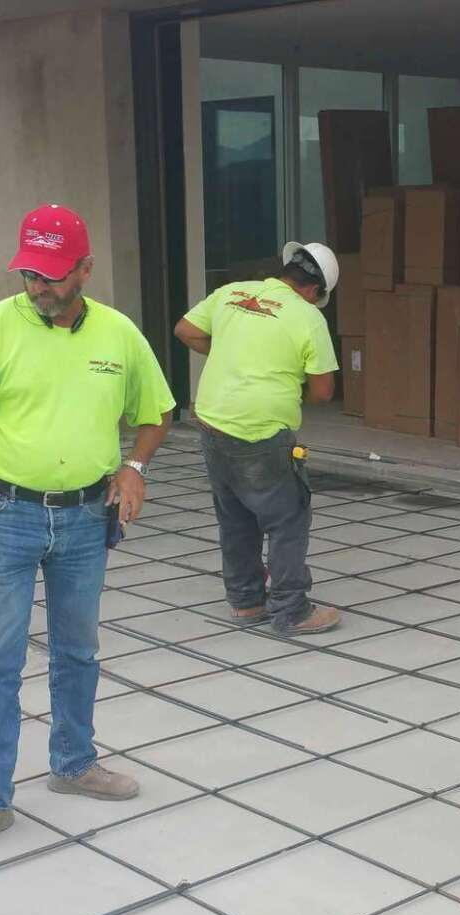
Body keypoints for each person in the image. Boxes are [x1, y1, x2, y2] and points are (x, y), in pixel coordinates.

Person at [0, 203, 175, 851]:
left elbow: (157, 412)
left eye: (51, 274)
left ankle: (73, 763)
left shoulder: (119, 335)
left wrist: (134, 466)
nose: (38, 286)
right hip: (2, 518)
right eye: (28, 274)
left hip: (84, 520)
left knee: (77, 650)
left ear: (85, 269)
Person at [175, 242, 342, 635]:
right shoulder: (307, 317)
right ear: (315, 291)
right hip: (262, 429)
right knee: (288, 517)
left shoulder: (233, 292)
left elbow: (184, 330)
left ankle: (247, 602)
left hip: (213, 422)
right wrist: (280, 379)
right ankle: (291, 610)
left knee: (235, 516)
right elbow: (322, 392)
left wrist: (230, 355)